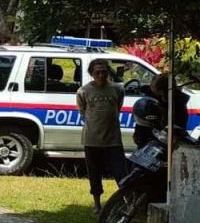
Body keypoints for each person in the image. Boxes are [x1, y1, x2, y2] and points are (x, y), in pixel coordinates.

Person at [77, 59, 127, 213]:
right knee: (94, 174)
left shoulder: (118, 89)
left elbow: (117, 108)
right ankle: (97, 204)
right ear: (91, 73)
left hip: (113, 140)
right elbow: (83, 112)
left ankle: (127, 202)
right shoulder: (83, 91)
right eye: (97, 72)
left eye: (104, 71)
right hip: (92, 140)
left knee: (121, 173)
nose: (101, 75)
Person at [133, 73, 189, 148]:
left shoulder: (178, 104)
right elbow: (142, 122)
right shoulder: (150, 99)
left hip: (167, 144)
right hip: (148, 142)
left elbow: (178, 129)